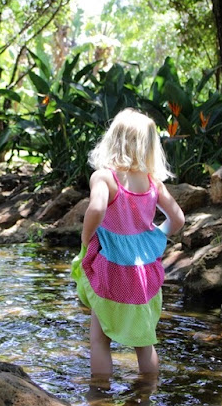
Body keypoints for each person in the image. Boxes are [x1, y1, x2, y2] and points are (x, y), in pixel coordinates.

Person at [71, 108, 185, 377]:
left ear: (113, 140)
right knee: (145, 342)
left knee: (100, 340)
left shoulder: (104, 177)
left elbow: (97, 208)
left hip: (112, 268)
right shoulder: (153, 183)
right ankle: (148, 392)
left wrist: (86, 238)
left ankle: (100, 393)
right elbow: (178, 220)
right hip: (144, 271)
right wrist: (155, 236)